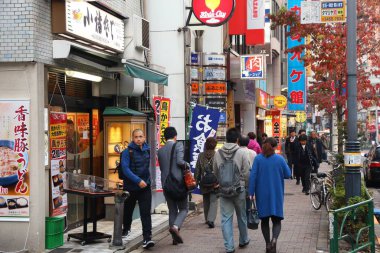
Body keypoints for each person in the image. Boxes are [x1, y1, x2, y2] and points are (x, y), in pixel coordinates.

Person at [249, 137, 291, 253]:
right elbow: (288, 174)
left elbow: (253, 176)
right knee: (277, 220)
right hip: (276, 193)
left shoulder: (258, 159)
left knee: (265, 221)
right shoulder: (279, 159)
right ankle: (274, 240)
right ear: (274, 147)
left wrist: (251, 193)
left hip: (261, 194)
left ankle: (268, 244)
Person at [213, 128, 251, 253]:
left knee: (225, 218)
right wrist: (247, 187)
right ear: (237, 140)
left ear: (226, 139)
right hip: (239, 189)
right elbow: (246, 172)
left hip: (224, 190)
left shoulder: (218, 153)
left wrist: (222, 182)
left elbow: (216, 171)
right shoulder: (241, 153)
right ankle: (243, 240)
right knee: (242, 216)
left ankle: (229, 247)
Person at [121, 129, 154, 249]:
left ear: (144, 137)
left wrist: (149, 181)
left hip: (145, 187)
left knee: (145, 213)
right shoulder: (127, 152)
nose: (138, 139)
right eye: (136, 137)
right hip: (130, 187)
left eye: (140, 136)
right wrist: (138, 180)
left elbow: (149, 166)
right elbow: (125, 169)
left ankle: (147, 238)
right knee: (128, 211)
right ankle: (126, 228)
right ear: (132, 138)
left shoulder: (148, 150)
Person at [158, 127, 189, 245]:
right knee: (184, 208)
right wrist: (188, 164)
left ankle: (174, 238)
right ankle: (175, 227)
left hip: (166, 184)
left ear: (165, 137)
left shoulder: (160, 150)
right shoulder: (178, 145)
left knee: (172, 210)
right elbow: (180, 162)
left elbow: (162, 168)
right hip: (178, 183)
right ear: (175, 136)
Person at [195, 137, 219, 229]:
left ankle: (206, 219)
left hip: (204, 181)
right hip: (214, 182)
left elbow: (197, 169)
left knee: (206, 200)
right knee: (213, 201)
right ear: (215, 145)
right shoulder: (217, 155)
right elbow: (220, 169)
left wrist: (196, 182)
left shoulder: (201, 155)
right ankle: (211, 219)